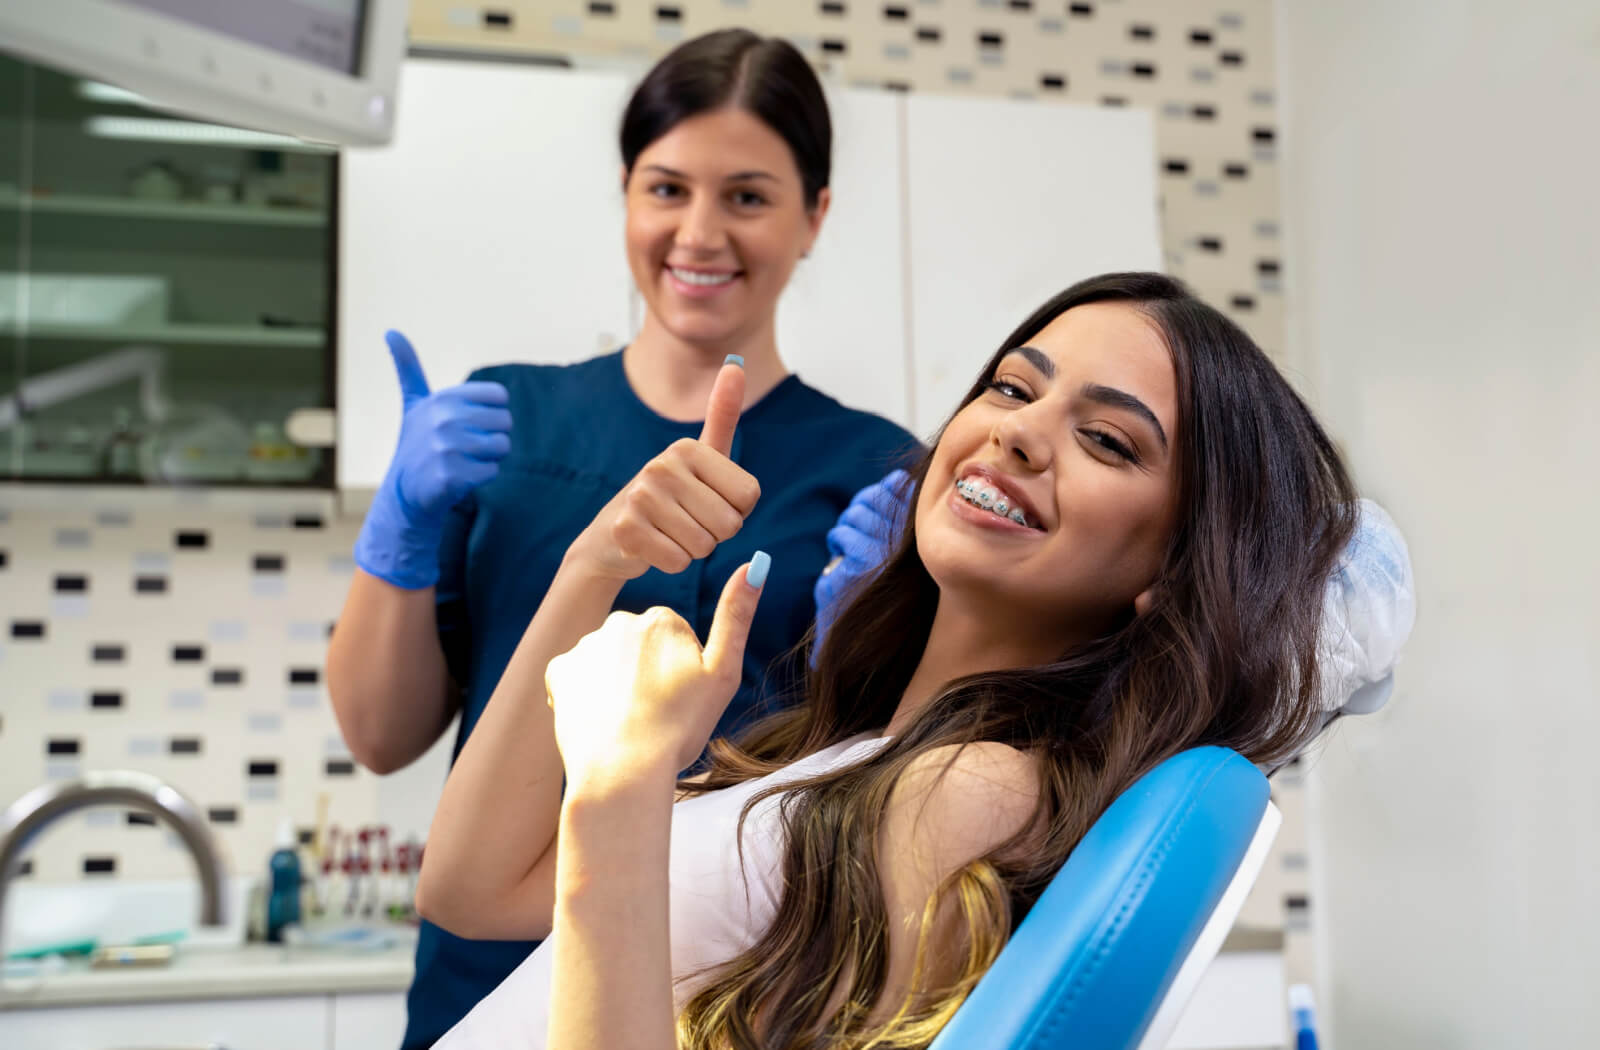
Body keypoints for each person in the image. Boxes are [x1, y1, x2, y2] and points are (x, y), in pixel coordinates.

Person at [415, 272, 1404, 1049]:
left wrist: (620, 783)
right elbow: (469, 888)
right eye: (1013, 386)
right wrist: (600, 561)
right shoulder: (860, 751)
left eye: (1105, 440)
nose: (1016, 432)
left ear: (1172, 566)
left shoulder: (971, 789)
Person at [324, 29, 918, 1048]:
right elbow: (381, 738)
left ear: (813, 215)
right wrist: (401, 534)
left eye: (747, 196)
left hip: (727, 983)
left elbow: (885, 813)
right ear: (625, 193)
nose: (698, 232)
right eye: (666, 188)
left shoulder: (876, 472)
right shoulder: (510, 422)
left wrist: (860, 660)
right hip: (483, 980)